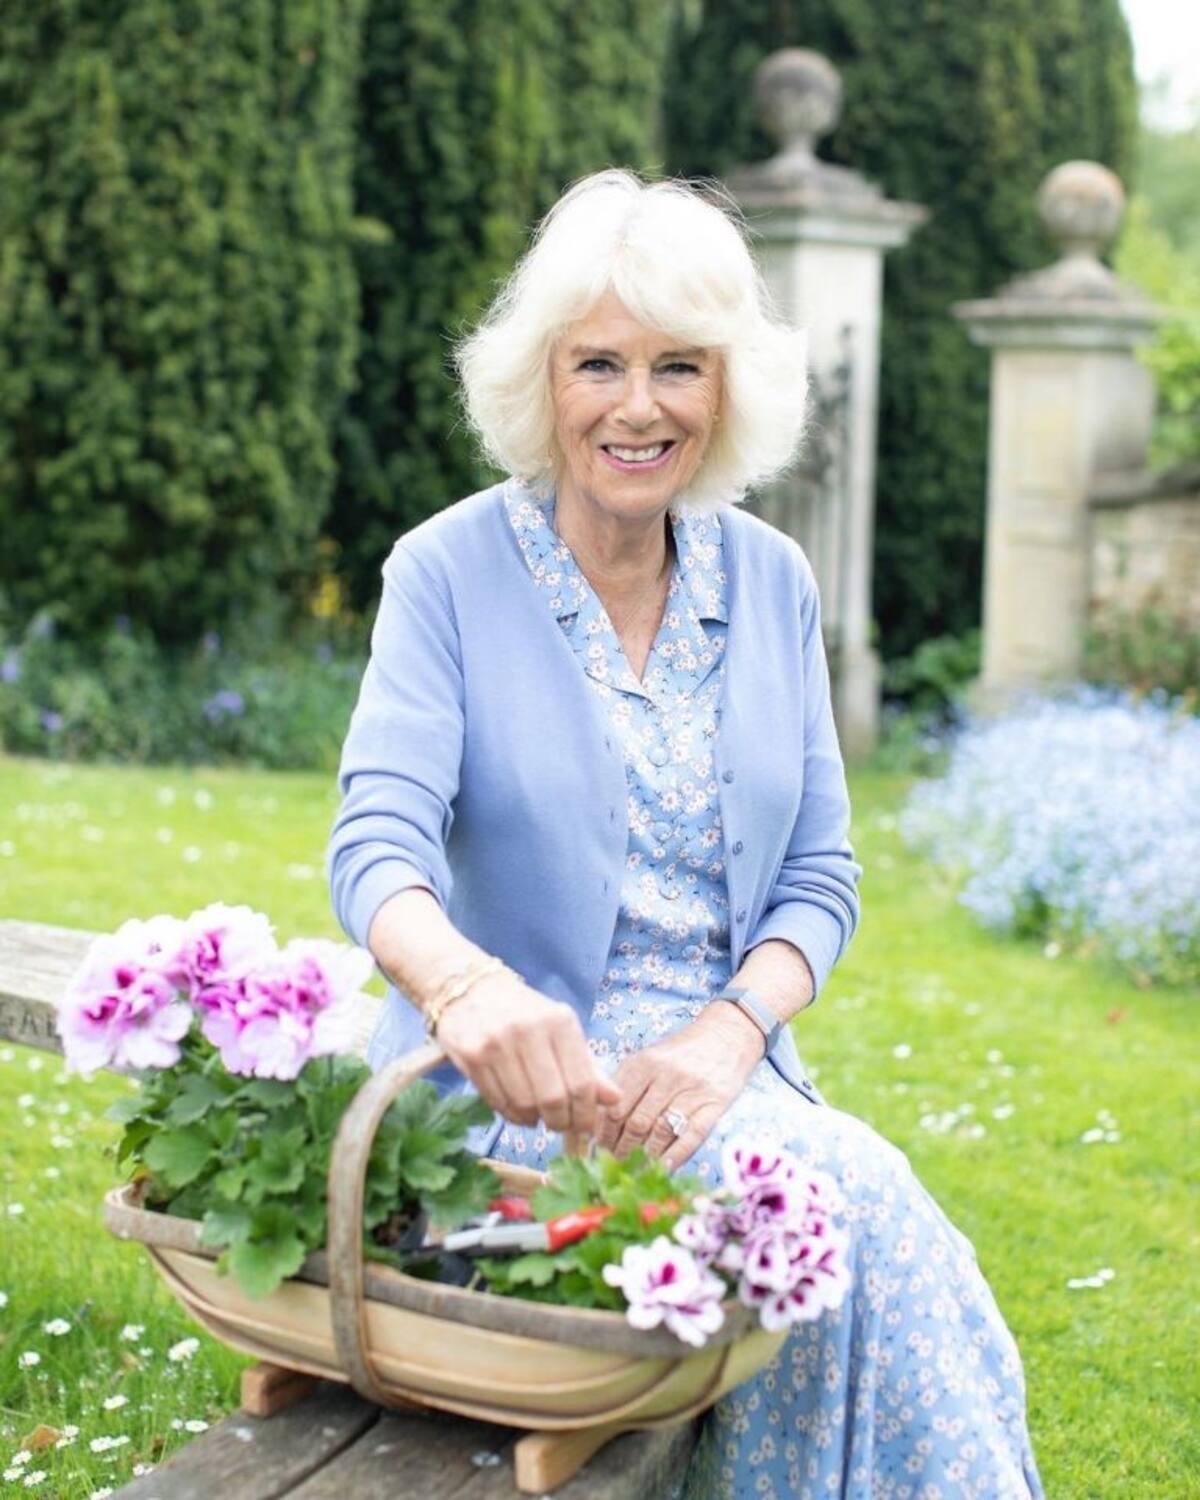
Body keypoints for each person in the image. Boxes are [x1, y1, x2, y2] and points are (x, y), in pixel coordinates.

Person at [327, 169, 1044, 1500]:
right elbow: (375, 846)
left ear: (726, 391)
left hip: (719, 1077)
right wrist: (467, 991)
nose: (639, 406)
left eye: (679, 367)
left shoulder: (772, 581)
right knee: (842, 1203)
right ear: (542, 381)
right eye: (599, 363)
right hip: (519, 1095)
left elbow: (820, 874)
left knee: (856, 1215)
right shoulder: (444, 573)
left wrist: (730, 1035)